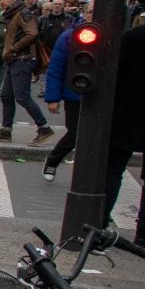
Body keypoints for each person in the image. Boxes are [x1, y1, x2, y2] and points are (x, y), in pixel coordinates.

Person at [107, 16, 145, 248]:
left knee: (113, 170)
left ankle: (98, 223)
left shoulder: (136, 36)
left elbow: (111, 73)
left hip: (128, 112)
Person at [0, 0, 54, 145]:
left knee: (22, 97)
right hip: (14, 59)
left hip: (23, 58)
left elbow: (32, 33)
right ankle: (6, 130)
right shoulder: (12, 14)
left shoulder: (23, 13)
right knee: (6, 95)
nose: (1, 2)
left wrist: (13, 48)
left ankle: (44, 128)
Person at [41, 14, 83, 182]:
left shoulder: (115, 34)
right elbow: (56, 67)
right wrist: (53, 98)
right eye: (90, 11)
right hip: (75, 94)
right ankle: (53, 161)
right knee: (74, 134)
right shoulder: (69, 36)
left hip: (102, 96)